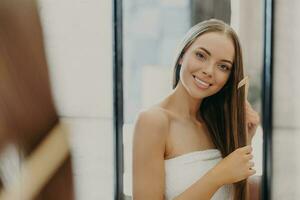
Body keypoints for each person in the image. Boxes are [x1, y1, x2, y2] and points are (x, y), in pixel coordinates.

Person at [132, 19, 260, 200]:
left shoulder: (217, 123)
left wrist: (245, 139)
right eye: (201, 55)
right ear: (183, 55)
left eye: (223, 66)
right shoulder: (153, 121)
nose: (208, 71)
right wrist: (217, 176)